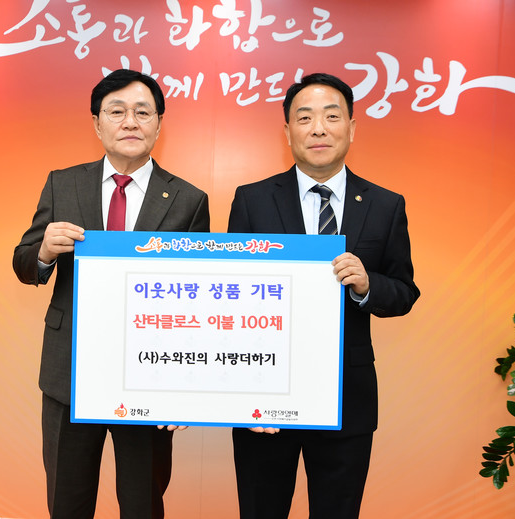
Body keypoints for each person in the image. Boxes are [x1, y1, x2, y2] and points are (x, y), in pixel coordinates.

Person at [13, 69, 210, 519]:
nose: (130, 122)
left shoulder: (188, 199)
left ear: (159, 123)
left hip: (150, 376)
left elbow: (196, 298)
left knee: (143, 502)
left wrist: (185, 386)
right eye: (117, 112)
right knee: (67, 501)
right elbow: (24, 263)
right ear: (97, 123)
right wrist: (43, 251)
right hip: (69, 371)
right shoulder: (64, 183)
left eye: (143, 112)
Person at [227, 73, 420, 518]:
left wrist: (367, 285)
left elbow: (404, 291)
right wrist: (244, 391)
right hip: (266, 397)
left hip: (347, 399)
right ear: (287, 131)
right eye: (305, 118)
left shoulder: (385, 205)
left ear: (351, 128)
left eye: (332, 117)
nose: (318, 128)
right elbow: (231, 295)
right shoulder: (252, 200)